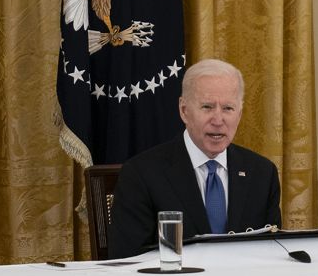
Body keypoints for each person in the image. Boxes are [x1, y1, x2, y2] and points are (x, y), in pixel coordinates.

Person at [107, 58, 282, 258]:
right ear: (184, 110)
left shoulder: (262, 173)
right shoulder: (141, 175)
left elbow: (273, 253)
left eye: (228, 108)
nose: (218, 120)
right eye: (207, 107)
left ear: (239, 114)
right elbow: (128, 259)